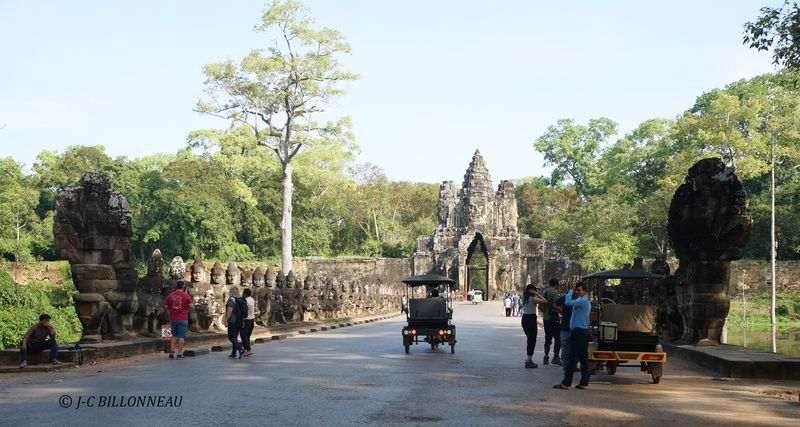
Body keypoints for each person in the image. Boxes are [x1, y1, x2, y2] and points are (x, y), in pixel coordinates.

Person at [554, 281, 591, 390]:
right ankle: (584, 382)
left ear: (584, 291)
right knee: (583, 358)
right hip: (582, 332)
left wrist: (570, 290)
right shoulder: (583, 301)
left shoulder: (582, 301)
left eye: (579, 290)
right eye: (576, 290)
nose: (577, 292)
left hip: (579, 332)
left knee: (572, 357)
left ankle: (566, 382)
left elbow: (568, 302)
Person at [520, 284, 547, 368]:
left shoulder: (524, 298)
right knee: (532, 340)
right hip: (531, 319)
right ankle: (528, 360)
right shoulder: (533, 299)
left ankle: (529, 359)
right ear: (532, 290)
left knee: (530, 339)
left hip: (525, 319)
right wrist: (537, 293)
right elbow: (545, 301)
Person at [164, 280, 193, 360]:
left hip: (173, 318)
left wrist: (171, 309)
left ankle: (171, 352)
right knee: (181, 337)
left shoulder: (170, 295)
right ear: (183, 286)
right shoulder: (186, 295)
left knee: (173, 336)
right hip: (183, 318)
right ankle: (179, 354)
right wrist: (186, 309)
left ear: (176, 286)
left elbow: (166, 307)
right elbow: (191, 305)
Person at [555, 287, 578, 372]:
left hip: (564, 326)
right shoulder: (578, 299)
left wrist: (562, 310)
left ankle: (565, 365)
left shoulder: (564, 298)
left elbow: (556, 303)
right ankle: (573, 365)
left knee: (565, 347)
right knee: (574, 347)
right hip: (574, 326)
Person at [541, 277, 562, 366]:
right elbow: (555, 305)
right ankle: (556, 357)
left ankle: (546, 357)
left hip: (545, 317)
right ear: (556, 284)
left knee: (548, 337)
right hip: (552, 317)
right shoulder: (554, 293)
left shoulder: (544, 292)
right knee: (558, 337)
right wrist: (562, 311)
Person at [225, 288, 246, 359]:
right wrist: (242, 322)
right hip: (239, 321)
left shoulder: (231, 300)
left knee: (231, 337)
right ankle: (233, 353)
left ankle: (240, 349)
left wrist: (226, 320)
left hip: (233, 321)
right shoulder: (239, 300)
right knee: (235, 337)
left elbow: (229, 311)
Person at [239, 288, 256, 357]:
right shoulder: (251, 299)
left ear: (245, 294)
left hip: (246, 320)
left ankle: (248, 349)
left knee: (243, 335)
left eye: (243, 293)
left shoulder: (245, 301)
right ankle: (247, 349)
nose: (242, 294)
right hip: (252, 319)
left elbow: (244, 312)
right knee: (247, 335)